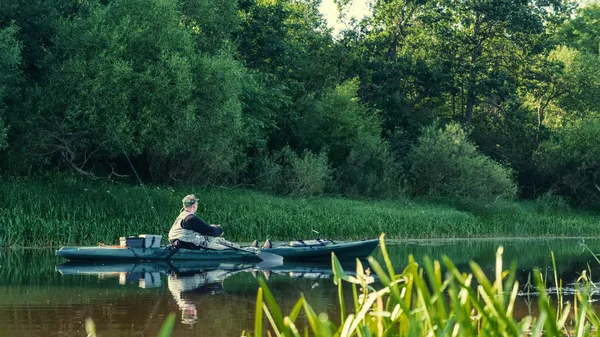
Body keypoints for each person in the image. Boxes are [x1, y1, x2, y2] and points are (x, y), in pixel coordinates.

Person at [169, 194, 235, 250]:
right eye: (196, 204)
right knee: (224, 247)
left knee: (217, 240)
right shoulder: (190, 218)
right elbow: (209, 231)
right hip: (184, 244)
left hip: (177, 243)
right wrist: (219, 230)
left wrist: (212, 227)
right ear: (194, 205)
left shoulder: (182, 216)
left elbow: (202, 228)